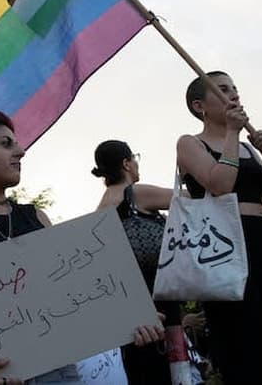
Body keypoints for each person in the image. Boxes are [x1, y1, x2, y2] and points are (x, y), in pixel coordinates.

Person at [0, 110, 164, 385]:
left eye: (16, 144)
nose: (21, 152)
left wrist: (129, 318)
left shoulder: (36, 217)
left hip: (58, 373)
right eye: (6, 144)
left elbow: (70, 297)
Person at [176, 71, 262, 384]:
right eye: (221, 90)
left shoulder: (247, 148)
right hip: (224, 248)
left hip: (261, 242)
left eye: (234, 88)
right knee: (243, 341)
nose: (233, 94)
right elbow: (220, 184)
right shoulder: (190, 143)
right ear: (199, 106)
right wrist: (233, 133)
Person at [92, 139, 181, 384]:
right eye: (134, 159)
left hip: (129, 314)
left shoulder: (99, 211)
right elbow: (191, 198)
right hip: (161, 307)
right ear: (126, 164)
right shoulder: (136, 195)